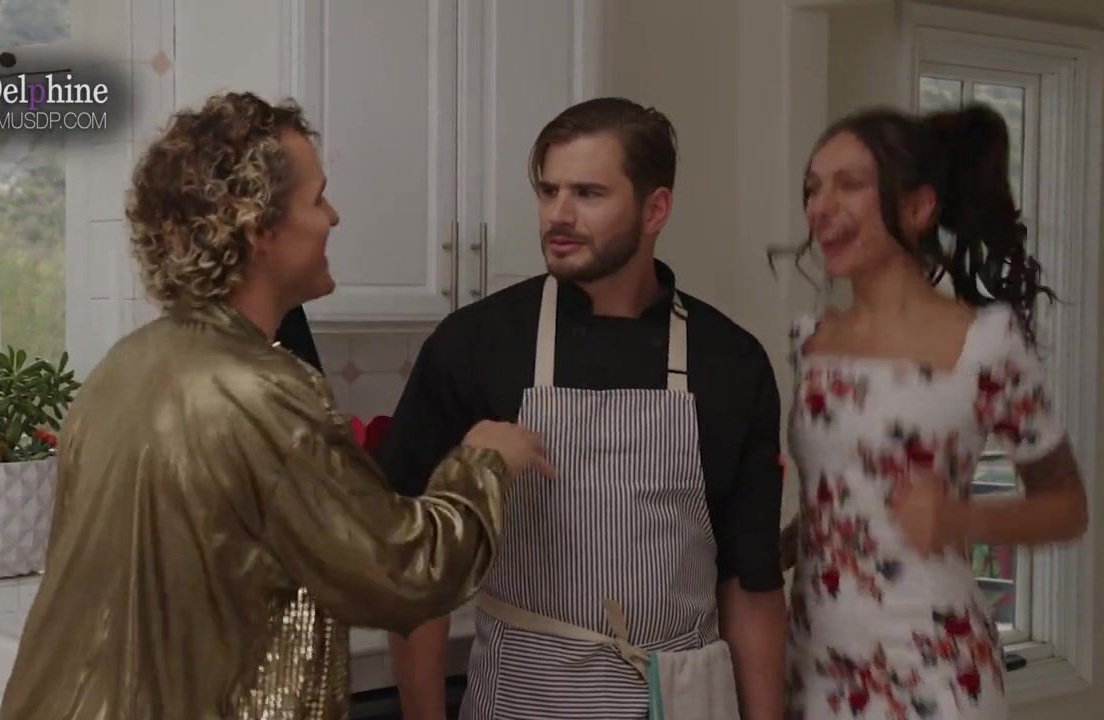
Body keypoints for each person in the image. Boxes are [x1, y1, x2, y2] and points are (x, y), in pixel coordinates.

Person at [0, 92, 552, 720]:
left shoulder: (121, 368)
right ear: (258, 228)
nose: (333, 217)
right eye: (317, 199)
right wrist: (484, 462)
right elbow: (403, 574)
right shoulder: (263, 391)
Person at [380, 97, 787, 719]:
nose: (558, 215)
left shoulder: (730, 362)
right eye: (549, 191)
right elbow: (416, 570)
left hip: (682, 699)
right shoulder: (475, 344)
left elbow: (750, 583)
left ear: (655, 209)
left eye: (588, 194)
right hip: (524, 698)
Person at [779, 104, 1089, 719]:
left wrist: (957, 518)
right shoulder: (810, 341)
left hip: (933, 668)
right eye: (813, 187)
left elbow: (1067, 507)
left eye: (848, 184)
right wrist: (762, 554)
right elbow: (839, 498)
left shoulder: (987, 344)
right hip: (814, 665)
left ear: (918, 208)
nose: (820, 207)